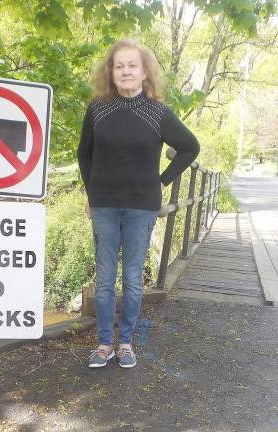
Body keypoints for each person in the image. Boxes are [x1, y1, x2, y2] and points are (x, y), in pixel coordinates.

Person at [77, 38, 200, 369]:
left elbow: (190, 147)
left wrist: (163, 179)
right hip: (103, 205)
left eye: (132, 65)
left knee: (132, 278)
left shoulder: (158, 112)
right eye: (120, 66)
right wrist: (91, 193)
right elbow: (84, 154)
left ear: (145, 72)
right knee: (105, 279)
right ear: (111, 72)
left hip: (141, 207)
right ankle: (104, 344)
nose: (126, 71)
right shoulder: (98, 108)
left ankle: (126, 343)